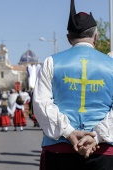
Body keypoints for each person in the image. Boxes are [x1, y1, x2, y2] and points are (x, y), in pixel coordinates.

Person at [33, 0, 113, 170]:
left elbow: (41, 103)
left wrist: (69, 133)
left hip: (59, 152)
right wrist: (97, 136)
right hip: (103, 152)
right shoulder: (111, 64)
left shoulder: (51, 63)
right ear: (96, 37)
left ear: (69, 38)